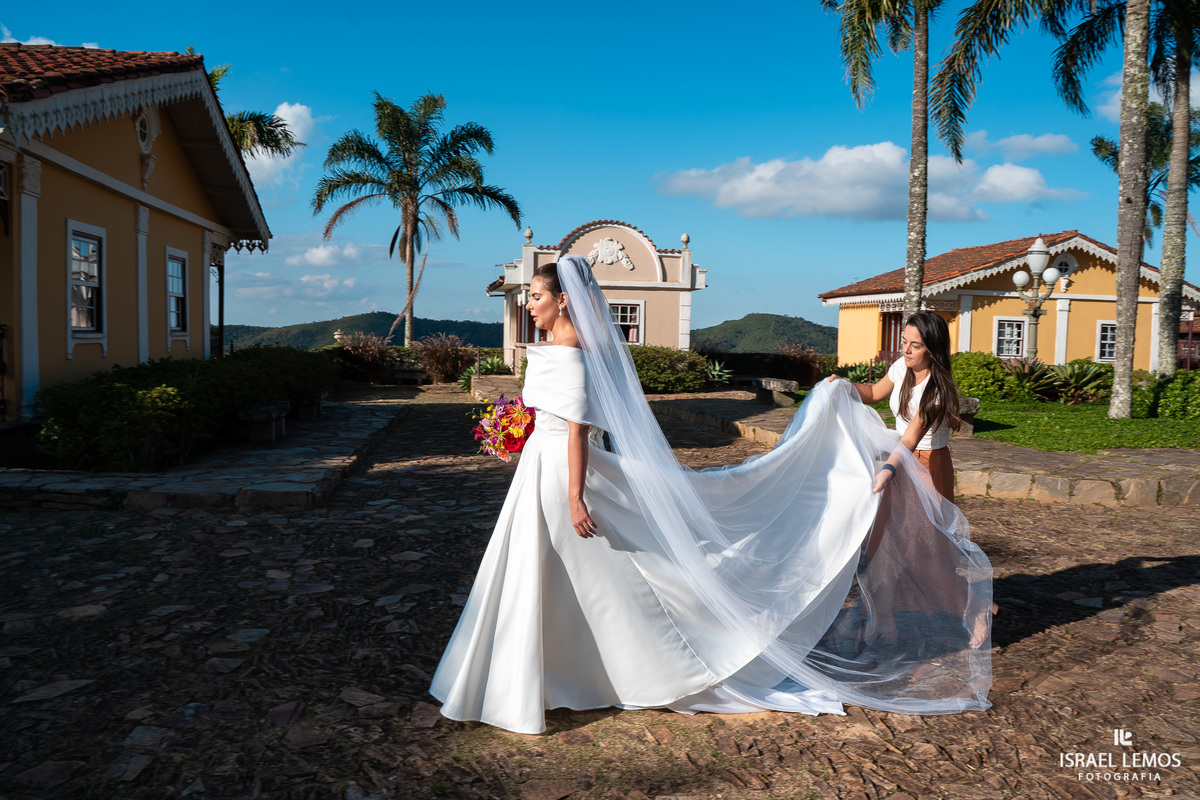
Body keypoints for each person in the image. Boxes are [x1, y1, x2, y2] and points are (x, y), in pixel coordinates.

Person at [431, 257, 992, 735]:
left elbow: (576, 429)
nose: (529, 304)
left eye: (535, 296)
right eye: (528, 296)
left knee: (922, 548)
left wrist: (575, 495)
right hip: (543, 463)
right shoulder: (560, 347)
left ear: (563, 301)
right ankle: (551, 668)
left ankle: (962, 612)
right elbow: (555, 420)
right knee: (548, 565)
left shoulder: (576, 354)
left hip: (564, 472)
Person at [828, 311, 961, 501]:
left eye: (915, 345)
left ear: (933, 350)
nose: (906, 350)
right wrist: (845, 385)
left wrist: (888, 469)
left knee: (929, 526)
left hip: (929, 463)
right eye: (904, 342)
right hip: (899, 454)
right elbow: (874, 393)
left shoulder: (936, 393)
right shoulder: (901, 367)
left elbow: (910, 440)